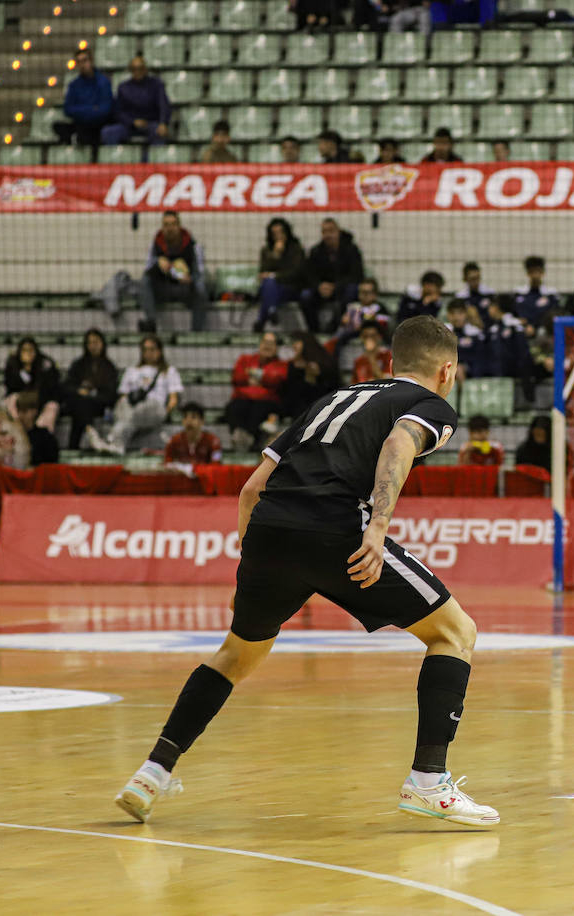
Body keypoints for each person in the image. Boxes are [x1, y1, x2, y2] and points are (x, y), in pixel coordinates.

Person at [114, 316, 499, 828]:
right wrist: (377, 527)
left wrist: (251, 564)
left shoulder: (331, 399)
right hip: (335, 528)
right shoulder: (430, 404)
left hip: (269, 529)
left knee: (236, 654)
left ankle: (151, 773)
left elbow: (251, 489)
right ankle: (428, 781)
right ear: (447, 371)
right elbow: (399, 445)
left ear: (390, 362)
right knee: (455, 633)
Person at [82, 335, 183, 456]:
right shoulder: (131, 371)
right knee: (123, 405)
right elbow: (123, 396)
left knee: (141, 408)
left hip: (155, 408)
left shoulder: (170, 371)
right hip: (133, 408)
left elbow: (173, 399)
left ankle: (110, 440)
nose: (148, 353)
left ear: (159, 351)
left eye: (152, 349)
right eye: (145, 350)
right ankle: (116, 445)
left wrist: (166, 412)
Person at [138, 210, 208, 333]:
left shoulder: (193, 246)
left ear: (179, 226)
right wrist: (157, 263)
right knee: (144, 281)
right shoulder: (155, 245)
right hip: (163, 290)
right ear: (162, 227)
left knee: (201, 289)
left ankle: (197, 332)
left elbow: (201, 274)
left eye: (173, 224)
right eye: (166, 225)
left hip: (185, 290)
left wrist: (190, 279)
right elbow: (147, 271)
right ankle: (151, 325)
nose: (170, 228)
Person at [224, 331, 288, 452]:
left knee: (260, 409)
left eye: (271, 343)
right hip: (243, 400)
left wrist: (252, 374)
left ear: (277, 348)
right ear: (259, 344)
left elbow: (277, 380)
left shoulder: (282, 365)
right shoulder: (245, 359)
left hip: (267, 403)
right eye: (265, 342)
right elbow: (236, 377)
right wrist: (264, 379)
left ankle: (252, 441)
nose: (267, 346)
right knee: (234, 407)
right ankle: (243, 439)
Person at [302, 218, 365, 334]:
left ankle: (338, 328)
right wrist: (319, 286)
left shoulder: (351, 249)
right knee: (305, 296)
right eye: (324, 232)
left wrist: (335, 286)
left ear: (338, 232)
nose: (328, 235)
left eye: (331, 231)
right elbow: (309, 275)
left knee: (352, 291)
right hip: (322, 290)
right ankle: (314, 330)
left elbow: (357, 275)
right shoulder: (315, 251)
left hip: (342, 288)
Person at [64, 328, 119, 449]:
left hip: (99, 404)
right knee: (80, 404)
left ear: (102, 344)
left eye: (96, 342)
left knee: (81, 406)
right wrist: (79, 391)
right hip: (79, 403)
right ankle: (91, 433)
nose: (93, 346)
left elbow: (110, 394)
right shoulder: (78, 365)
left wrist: (91, 394)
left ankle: (75, 445)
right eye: (90, 343)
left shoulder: (109, 367)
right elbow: (67, 386)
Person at [102, 56, 171, 147]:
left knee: (159, 132)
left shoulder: (156, 85)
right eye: (134, 69)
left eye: (140, 68)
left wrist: (163, 123)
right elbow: (118, 112)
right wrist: (132, 122)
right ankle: (117, 156)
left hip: (150, 123)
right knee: (107, 132)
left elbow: (164, 105)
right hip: (129, 125)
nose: (138, 72)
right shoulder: (123, 87)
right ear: (130, 70)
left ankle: (154, 156)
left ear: (145, 69)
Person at [254, 218, 305, 332]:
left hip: (291, 288)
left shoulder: (296, 249)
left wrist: (274, 276)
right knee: (268, 284)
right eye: (275, 234)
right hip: (273, 288)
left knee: (269, 284)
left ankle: (262, 319)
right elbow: (263, 273)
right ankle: (271, 311)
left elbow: (296, 273)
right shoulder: (266, 251)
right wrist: (276, 255)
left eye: (281, 232)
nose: (278, 236)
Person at [2, 336, 62, 435]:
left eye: (30, 350)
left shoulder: (45, 364)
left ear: (36, 351)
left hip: (42, 401)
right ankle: (18, 432)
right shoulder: (13, 364)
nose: (28, 353)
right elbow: (10, 387)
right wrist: (25, 369)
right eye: (24, 350)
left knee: (52, 406)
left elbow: (51, 389)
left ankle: (42, 435)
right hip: (21, 401)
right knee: (9, 401)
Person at [54, 48, 113, 149]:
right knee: (58, 126)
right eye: (79, 62)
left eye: (85, 60)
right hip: (80, 123)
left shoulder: (103, 82)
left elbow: (105, 109)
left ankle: (77, 139)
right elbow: (68, 109)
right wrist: (92, 109)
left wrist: (81, 110)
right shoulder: (74, 85)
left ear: (91, 61)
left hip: (98, 124)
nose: (82, 65)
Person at [280, 330, 341, 418]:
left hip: (322, 409)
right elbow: (290, 395)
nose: (293, 346)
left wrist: (313, 378)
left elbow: (332, 388)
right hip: (298, 411)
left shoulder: (323, 363)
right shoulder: (292, 365)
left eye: (295, 342)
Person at [334, 279, 392, 350]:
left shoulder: (380, 309)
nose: (365, 295)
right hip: (351, 342)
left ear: (375, 294)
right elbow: (341, 332)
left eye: (368, 292)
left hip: (374, 343)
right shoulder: (352, 307)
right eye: (362, 292)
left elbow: (383, 330)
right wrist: (343, 323)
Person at [164, 402, 224, 470]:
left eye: (193, 417)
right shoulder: (174, 441)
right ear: (182, 421)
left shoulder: (214, 441)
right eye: (185, 417)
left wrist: (196, 470)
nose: (189, 421)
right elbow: (167, 463)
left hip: (204, 476)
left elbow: (216, 464)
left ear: (202, 421)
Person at [511, 256, 560, 332]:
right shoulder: (519, 293)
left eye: (538, 271)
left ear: (542, 273)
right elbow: (514, 314)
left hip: (544, 331)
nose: (535, 275)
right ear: (528, 273)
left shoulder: (551, 294)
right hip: (523, 330)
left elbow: (553, 314)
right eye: (532, 272)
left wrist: (534, 325)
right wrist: (525, 324)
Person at [13, 392, 60, 467]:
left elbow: (51, 462)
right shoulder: (13, 435)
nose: (20, 415)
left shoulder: (45, 437)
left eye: (24, 411)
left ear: (34, 411)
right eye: (19, 411)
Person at [443, 301, 485, 378]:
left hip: (471, 373)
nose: (456, 317)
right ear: (448, 315)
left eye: (460, 313)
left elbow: (479, 359)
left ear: (466, 314)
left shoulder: (475, 332)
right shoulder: (442, 333)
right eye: (452, 313)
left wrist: (465, 367)